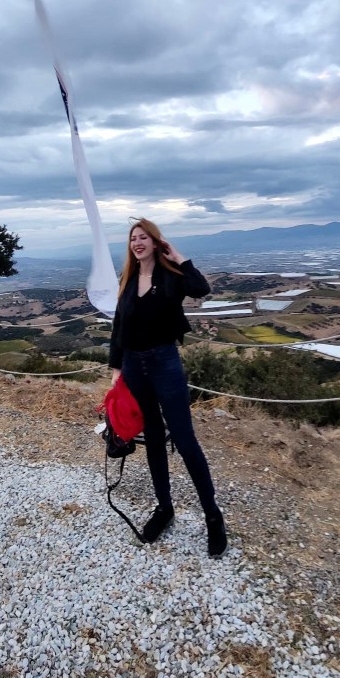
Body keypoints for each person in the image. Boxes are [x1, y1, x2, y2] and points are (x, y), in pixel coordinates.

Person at [108, 218, 227, 558]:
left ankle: (213, 516)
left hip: (165, 363)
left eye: (144, 237)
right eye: (133, 238)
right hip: (134, 366)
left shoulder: (171, 277)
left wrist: (179, 257)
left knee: (185, 441)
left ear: (156, 242)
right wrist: (116, 369)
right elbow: (119, 325)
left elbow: (201, 288)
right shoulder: (128, 278)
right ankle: (164, 508)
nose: (137, 242)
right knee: (154, 441)